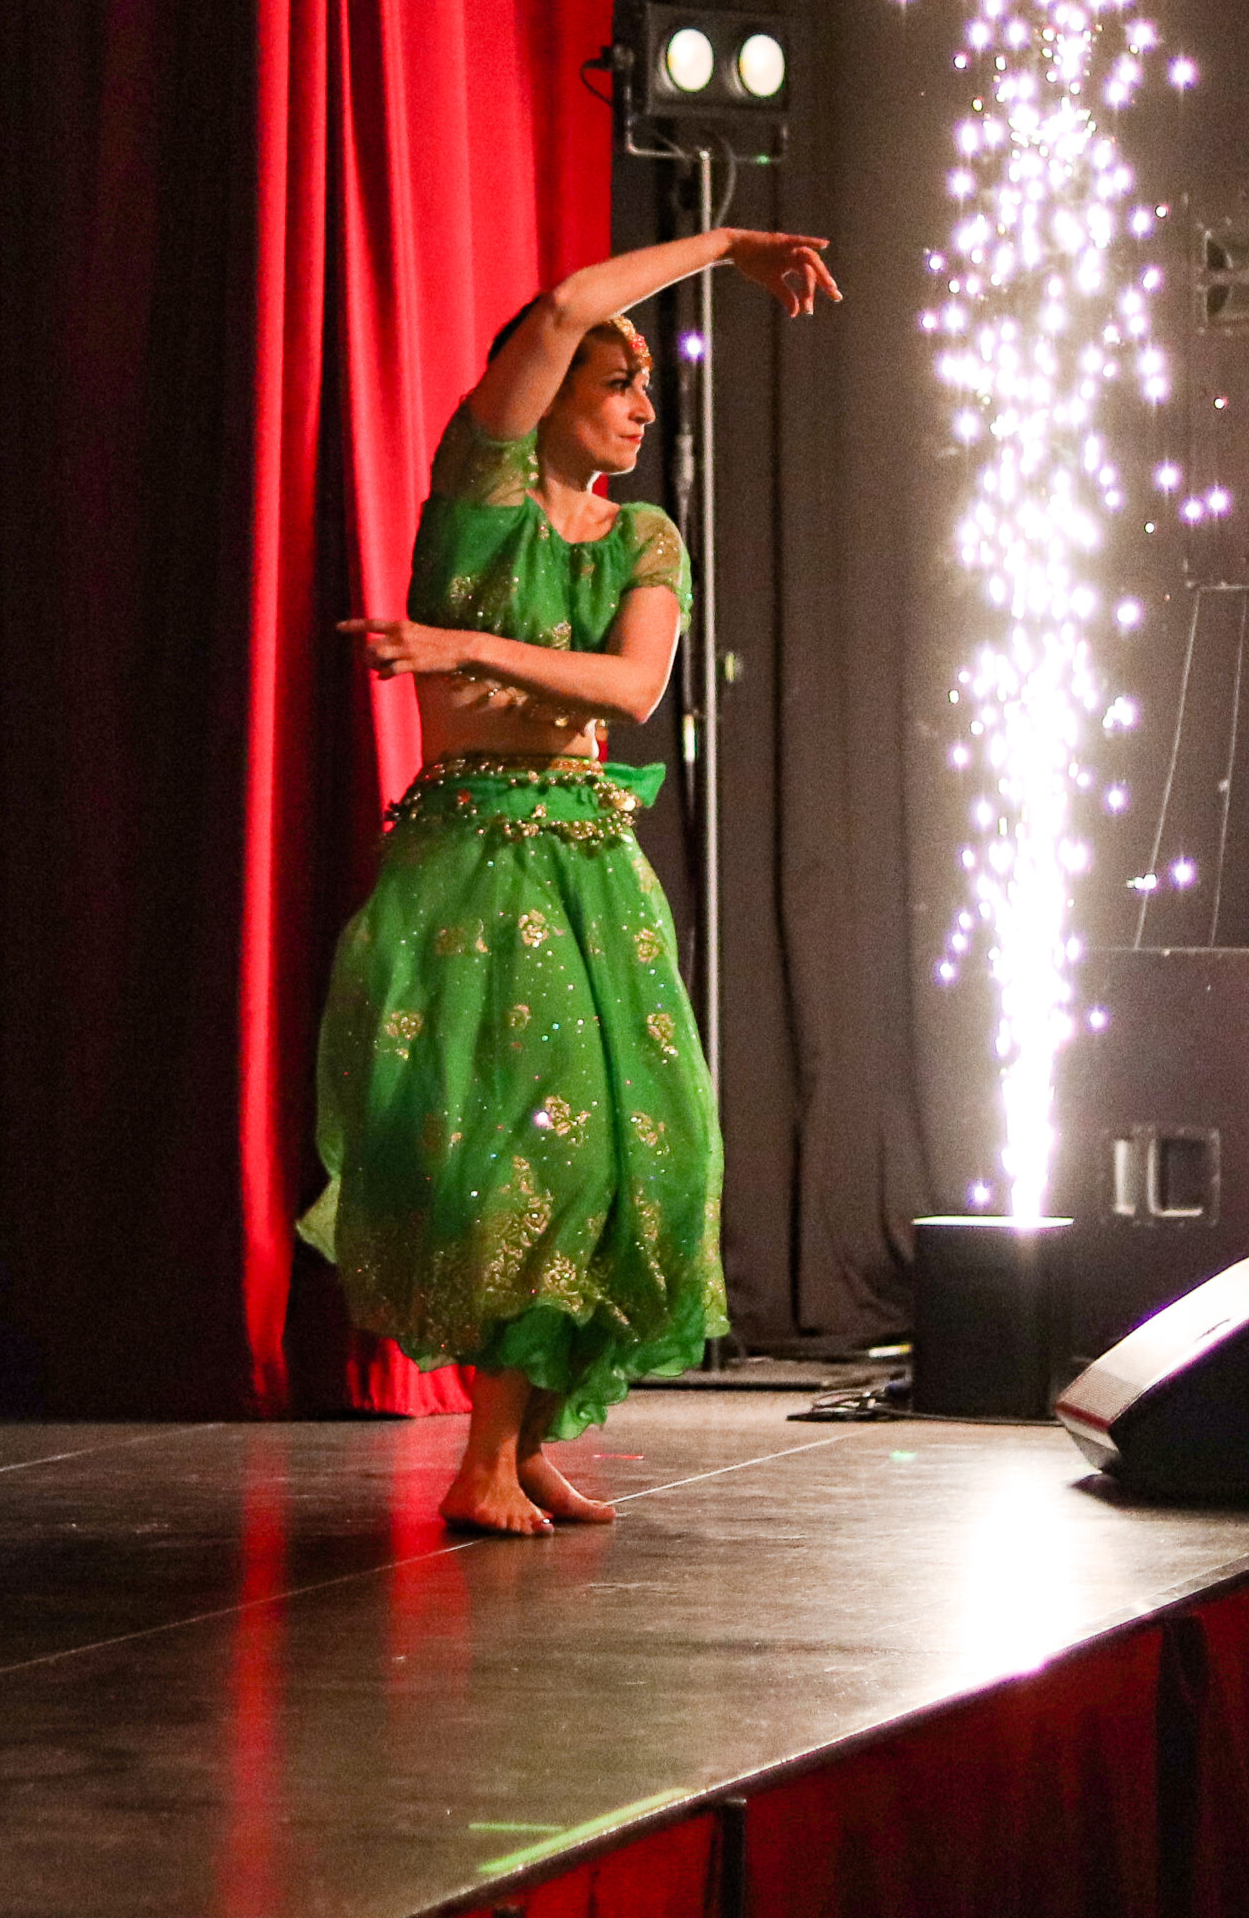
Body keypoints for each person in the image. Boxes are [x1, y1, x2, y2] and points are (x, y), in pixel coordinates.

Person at [299, 226, 842, 1534]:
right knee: (514, 1151)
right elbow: (557, 307)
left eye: (647, 387)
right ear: (539, 399)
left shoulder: (644, 538)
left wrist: (461, 647)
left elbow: (634, 687)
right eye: (617, 384)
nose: (643, 408)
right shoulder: (480, 497)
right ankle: (483, 1461)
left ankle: (532, 1436)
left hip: (594, 864)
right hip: (471, 868)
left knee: (645, 1159)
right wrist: (728, 244)